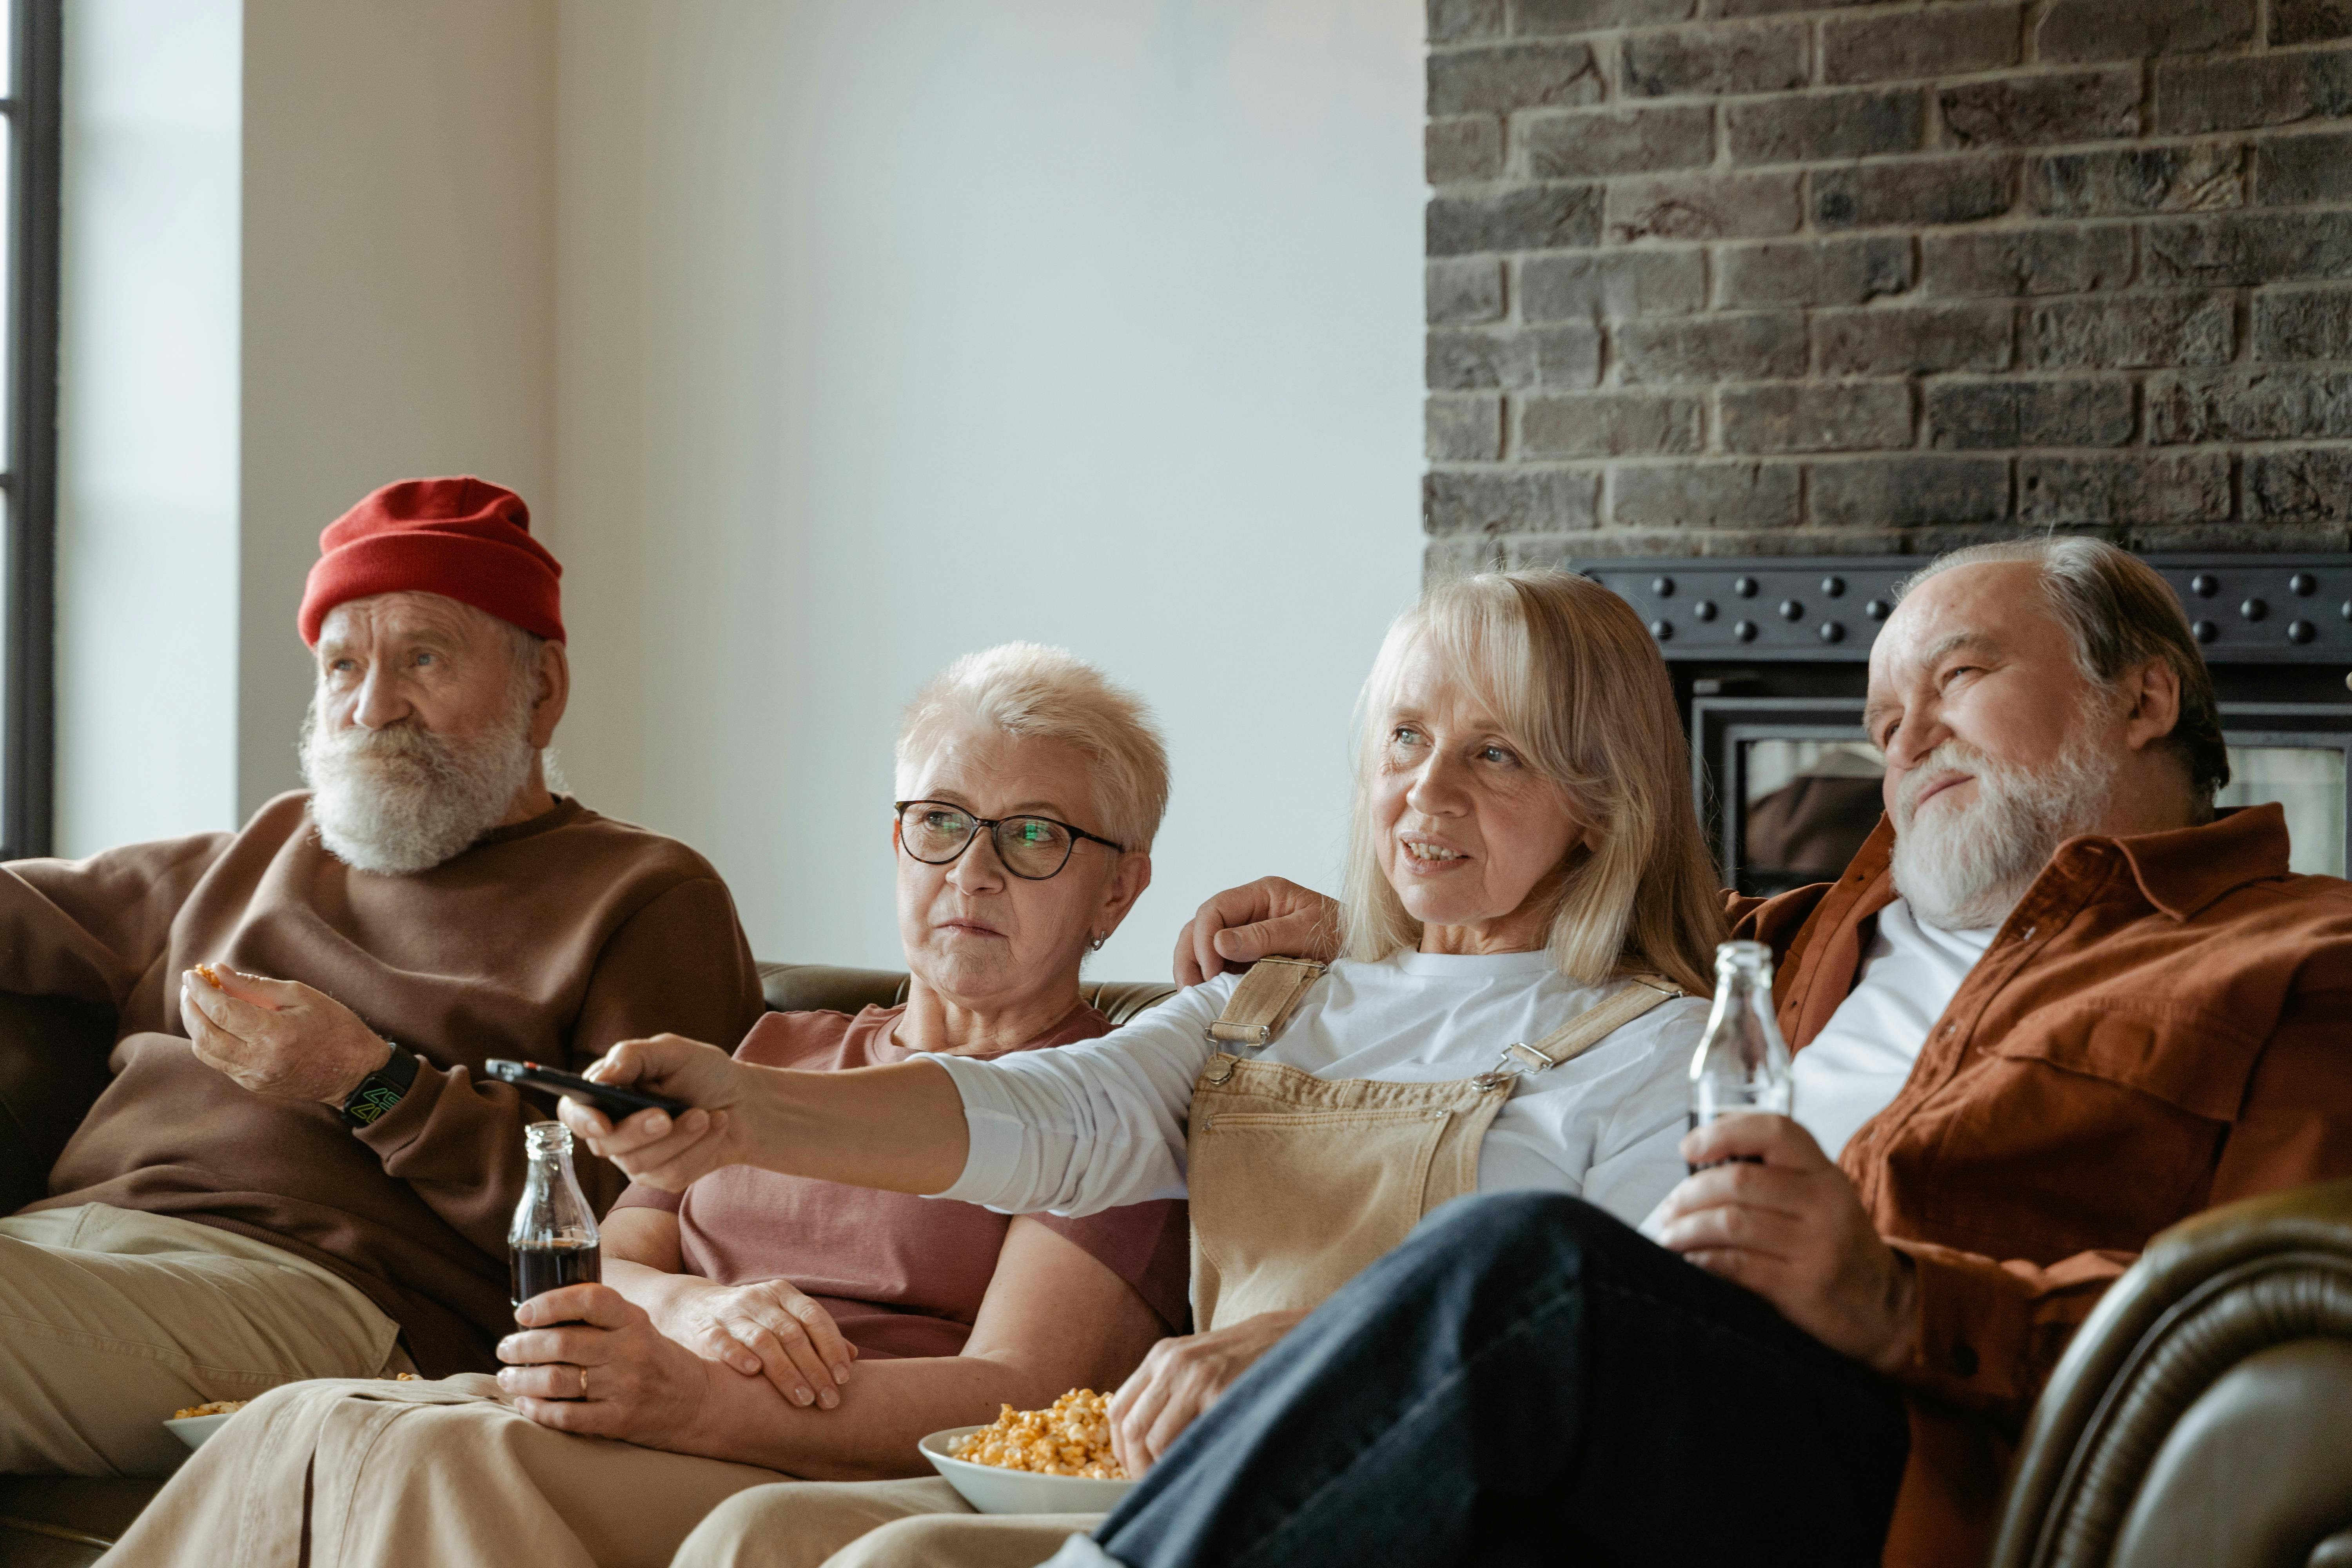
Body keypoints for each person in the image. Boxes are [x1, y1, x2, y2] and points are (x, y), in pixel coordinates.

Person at [1080, 536, 2352, 1568]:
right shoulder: (1791, 938)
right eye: (1881, 714)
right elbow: (1565, 883)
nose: (1901, 742)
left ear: (2143, 696)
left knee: (1525, 1261)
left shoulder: (2296, 961)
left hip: (1909, 1464)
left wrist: (1904, 1304)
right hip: (1651, 1426)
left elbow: (2277, 1320)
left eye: (1955, 682)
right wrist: (1369, 928)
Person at [577, 569, 1737, 1568]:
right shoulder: (1261, 1003)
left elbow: (1615, 1357)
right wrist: (745, 1110)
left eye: (1495, 753)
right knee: (768, 1539)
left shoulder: (1660, 1046)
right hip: (1195, 1488)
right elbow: (1050, 1113)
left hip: (1428, 1518)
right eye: (1405, 737)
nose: (1428, 793)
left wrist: (1312, 1349)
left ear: (1599, 803)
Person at [100, 643, 1194, 1568]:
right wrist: (690, 1314)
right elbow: (615, 1259)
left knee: (434, 1455)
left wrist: (696, 1400)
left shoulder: (1113, 1104)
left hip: (817, 1466)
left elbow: (1020, 1397)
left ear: (1119, 888)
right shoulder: (781, 1049)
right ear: (896, 840)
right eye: (940, 821)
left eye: (1036, 835)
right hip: (648, 1406)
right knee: (302, 1416)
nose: (974, 871)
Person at [0, 476, 767, 1480]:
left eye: (424, 657)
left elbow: (641, 1216)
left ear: (542, 692)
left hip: (329, 1300)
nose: (374, 706)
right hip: (66, 1250)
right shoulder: (266, 843)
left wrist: (369, 1080)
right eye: (343, 665)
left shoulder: (644, 894)